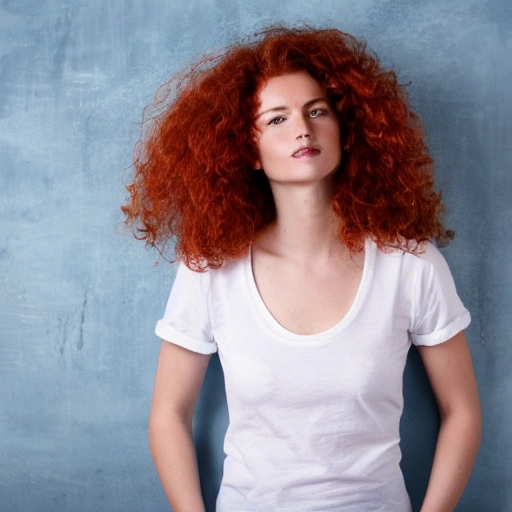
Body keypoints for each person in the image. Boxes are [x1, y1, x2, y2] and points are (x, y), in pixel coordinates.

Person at [123, 26, 482, 512]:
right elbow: (168, 413)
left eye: (317, 111)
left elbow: (461, 412)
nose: (303, 129)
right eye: (277, 119)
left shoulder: (412, 266)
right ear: (247, 150)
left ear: (345, 128)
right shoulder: (210, 271)